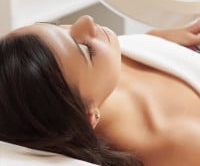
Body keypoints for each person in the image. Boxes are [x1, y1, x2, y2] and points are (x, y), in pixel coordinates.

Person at [0, 15, 200, 166]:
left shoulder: (101, 68)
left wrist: (155, 40)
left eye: (58, 27)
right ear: (89, 116)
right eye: (87, 49)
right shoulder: (178, 145)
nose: (86, 20)